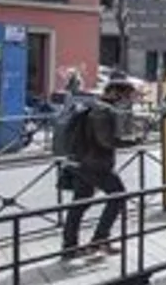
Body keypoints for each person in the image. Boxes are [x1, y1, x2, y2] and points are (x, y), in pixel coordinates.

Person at [57, 79, 139, 261]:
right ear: (115, 93)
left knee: (80, 203)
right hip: (96, 164)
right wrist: (132, 141)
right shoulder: (102, 111)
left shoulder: (94, 106)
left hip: (81, 162)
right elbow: (106, 141)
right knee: (118, 197)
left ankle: (69, 247)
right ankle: (99, 239)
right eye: (127, 96)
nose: (128, 101)